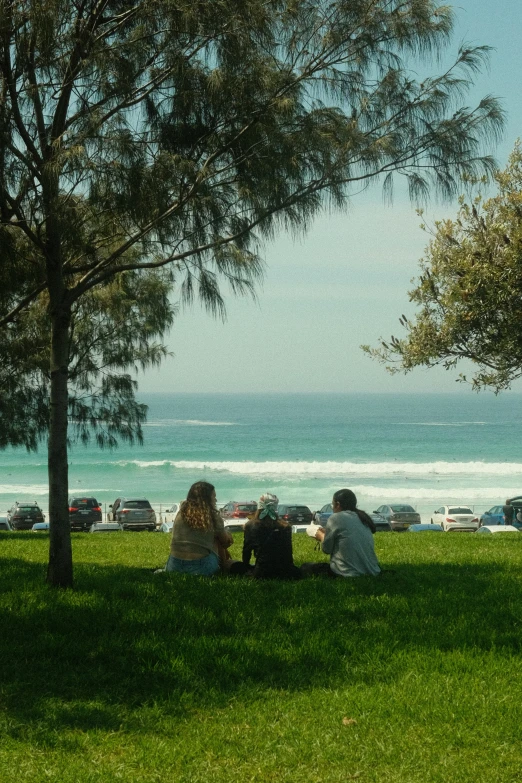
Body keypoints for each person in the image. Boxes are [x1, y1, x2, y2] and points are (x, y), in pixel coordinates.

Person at [301, 489, 381, 578]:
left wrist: (320, 535)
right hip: (372, 571)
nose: (332, 507)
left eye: (332, 504)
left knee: (306, 566)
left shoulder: (336, 518)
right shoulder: (362, 517)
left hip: (345, 572)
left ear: (338, 504)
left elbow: (326, 549)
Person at [166, 481, 232, 575]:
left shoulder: (181, 513)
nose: (216, 500)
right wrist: (229, 536)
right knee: (218, 540)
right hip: (200, 568)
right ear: (207, 499)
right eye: (214, 496)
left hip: (173, 566)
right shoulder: (213, 517)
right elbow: (225, 542)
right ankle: (224, 568)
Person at [242, 493, 302, 579]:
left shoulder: (251, 526)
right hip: (285, 571)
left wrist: (246, 569)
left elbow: (246, 551)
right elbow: (288, 552)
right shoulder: (285, 527)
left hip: (262, 572)